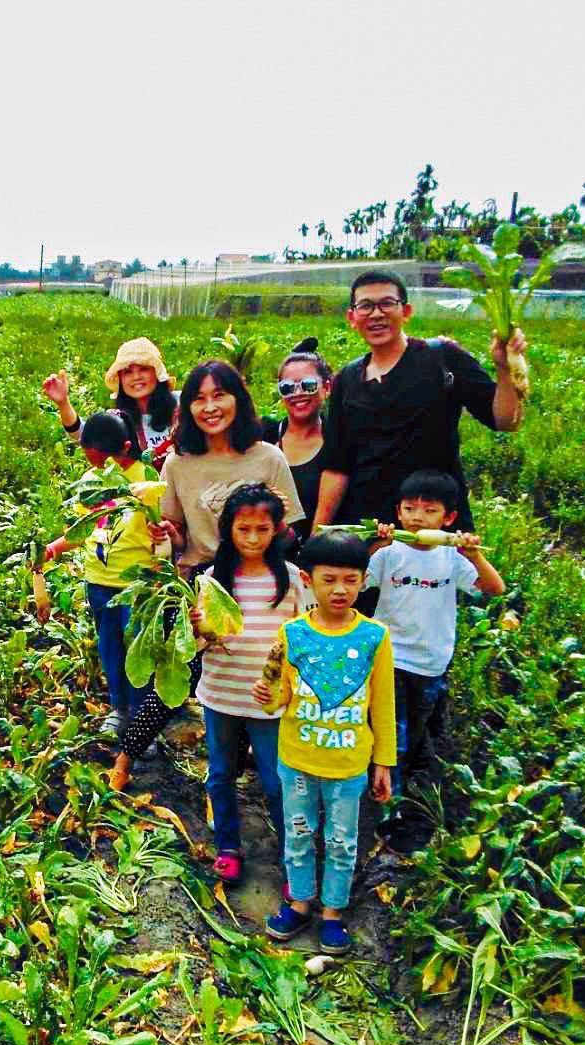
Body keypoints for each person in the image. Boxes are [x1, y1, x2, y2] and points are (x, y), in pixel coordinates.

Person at [115, 360, 302, 776]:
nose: (210, 406)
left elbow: (288, 535)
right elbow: (178, 536)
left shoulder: (269, 458)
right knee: (180, 675)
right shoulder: (180, 463)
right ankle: (126, 757)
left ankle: (239, 770)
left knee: (254, 675)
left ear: (239, 399)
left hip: (258, 584)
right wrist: (166, 534)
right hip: (202, 582)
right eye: (199, 398)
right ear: (188, 408)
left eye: (220, 395)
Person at [255, 531, 395, 955]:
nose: (340, 589)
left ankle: (333, 912)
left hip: (348, 765)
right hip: (297, 759)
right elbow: (279, 695)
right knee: (298, 833)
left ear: (364, 581)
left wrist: (383, 763)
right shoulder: (292, 632)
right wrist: (268, 699)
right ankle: (300, 901)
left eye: (350, 580)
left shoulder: (375, 637)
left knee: (341, 840)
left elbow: (383, 707)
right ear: (307, 579)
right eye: (329, 579)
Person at [314, 269, 526, 532]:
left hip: (434, 529)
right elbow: (337, 466)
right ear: (352, 317)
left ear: (407, 311)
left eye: (387, 303)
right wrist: (318, 533)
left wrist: (504, 369)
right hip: (370, 528)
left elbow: (506, 421)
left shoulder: (443, 358)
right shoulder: (346, 379)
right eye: (366, 306)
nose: (376, 313)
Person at [367, 470, 503, 851]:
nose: (417, 518)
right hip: (388, 658)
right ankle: (387, 806)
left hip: (430, 663)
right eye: (409, 509)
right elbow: (357, 580)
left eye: (429, 511)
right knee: (390, 734)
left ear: (448, 519)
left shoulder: (451, 559)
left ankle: (410, 787)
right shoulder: (391, 553)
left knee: (418, 731)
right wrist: (375, 546)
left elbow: (494, 589)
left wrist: (473, 554)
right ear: (397, 512)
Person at [194, 484, 311, 883]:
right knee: (221, 773)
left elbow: (306, 639)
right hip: (221, 694)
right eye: (244, 530)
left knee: (277, 781)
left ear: (276, 530)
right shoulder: (211, 580)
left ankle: (292, 849)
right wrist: (199, 629)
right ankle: (228, 845)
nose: (253, 539)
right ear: (229, 530)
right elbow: (197, 643)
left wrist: (290, 685)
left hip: (270, 701)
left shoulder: (293, 580)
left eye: (262, 530)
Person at [38, 410, 158, 745]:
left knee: (139, 652)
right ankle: (118, 708)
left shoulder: (144, 479)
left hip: (136, 585)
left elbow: (161, 532)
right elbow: (82, 530)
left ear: (124, 447)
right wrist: (52, 549)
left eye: (104, 460)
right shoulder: (93, 484)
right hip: (99, 581)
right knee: (110, 647)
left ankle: (141, 719)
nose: (98, 468)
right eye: (91, 461)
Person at [43, 337, 179, 471]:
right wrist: (63, 403)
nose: (136, 377)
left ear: (156, 373)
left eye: (143, 369)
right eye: (127, 372)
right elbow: (83, 435)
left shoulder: (183, 402)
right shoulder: (119, 419)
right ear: (120, 379)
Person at [263, 338, 332, 542]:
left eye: (308, 385)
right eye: (287, 388)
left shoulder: (339, 439)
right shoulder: (266, 437)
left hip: (325, 554)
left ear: (326, 388)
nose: (297, 393)